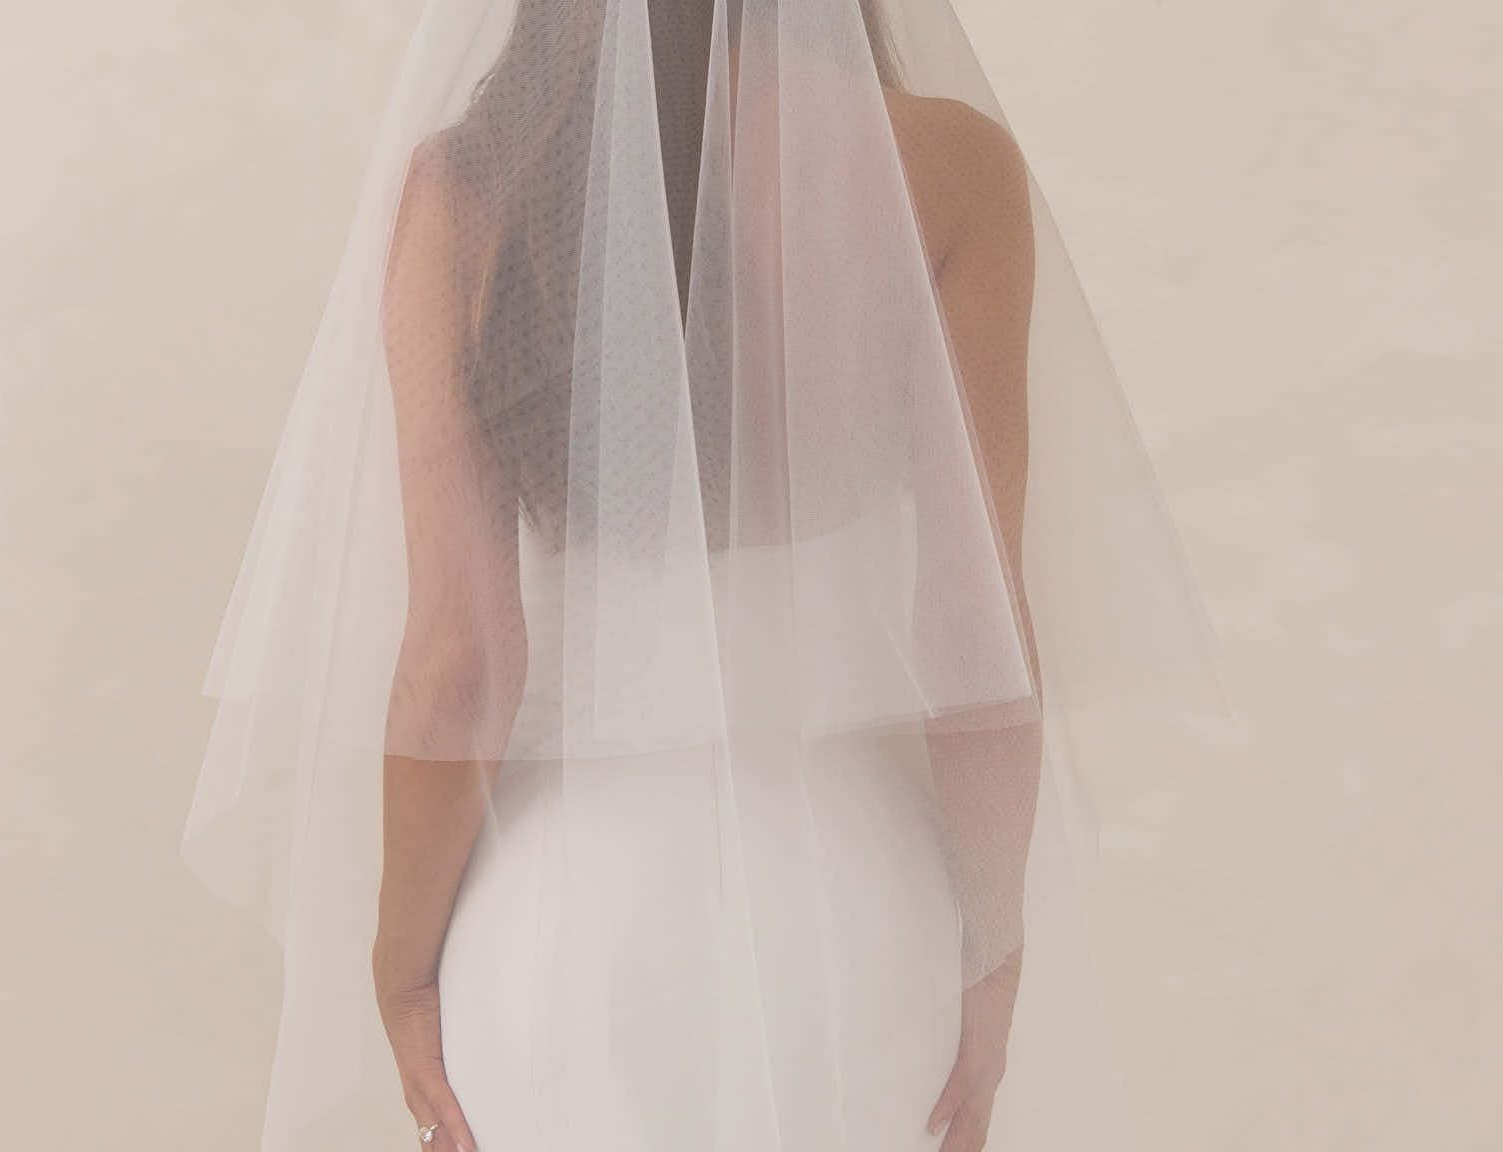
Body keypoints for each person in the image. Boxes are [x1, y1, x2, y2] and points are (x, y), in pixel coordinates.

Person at [185, 2, 1223, 1150]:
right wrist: (992, 948)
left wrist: (399, 965)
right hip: (852, 905)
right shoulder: (949, 169)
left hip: (562, 917)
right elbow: (970, 629)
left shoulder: (470, 192)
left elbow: (459, 659)